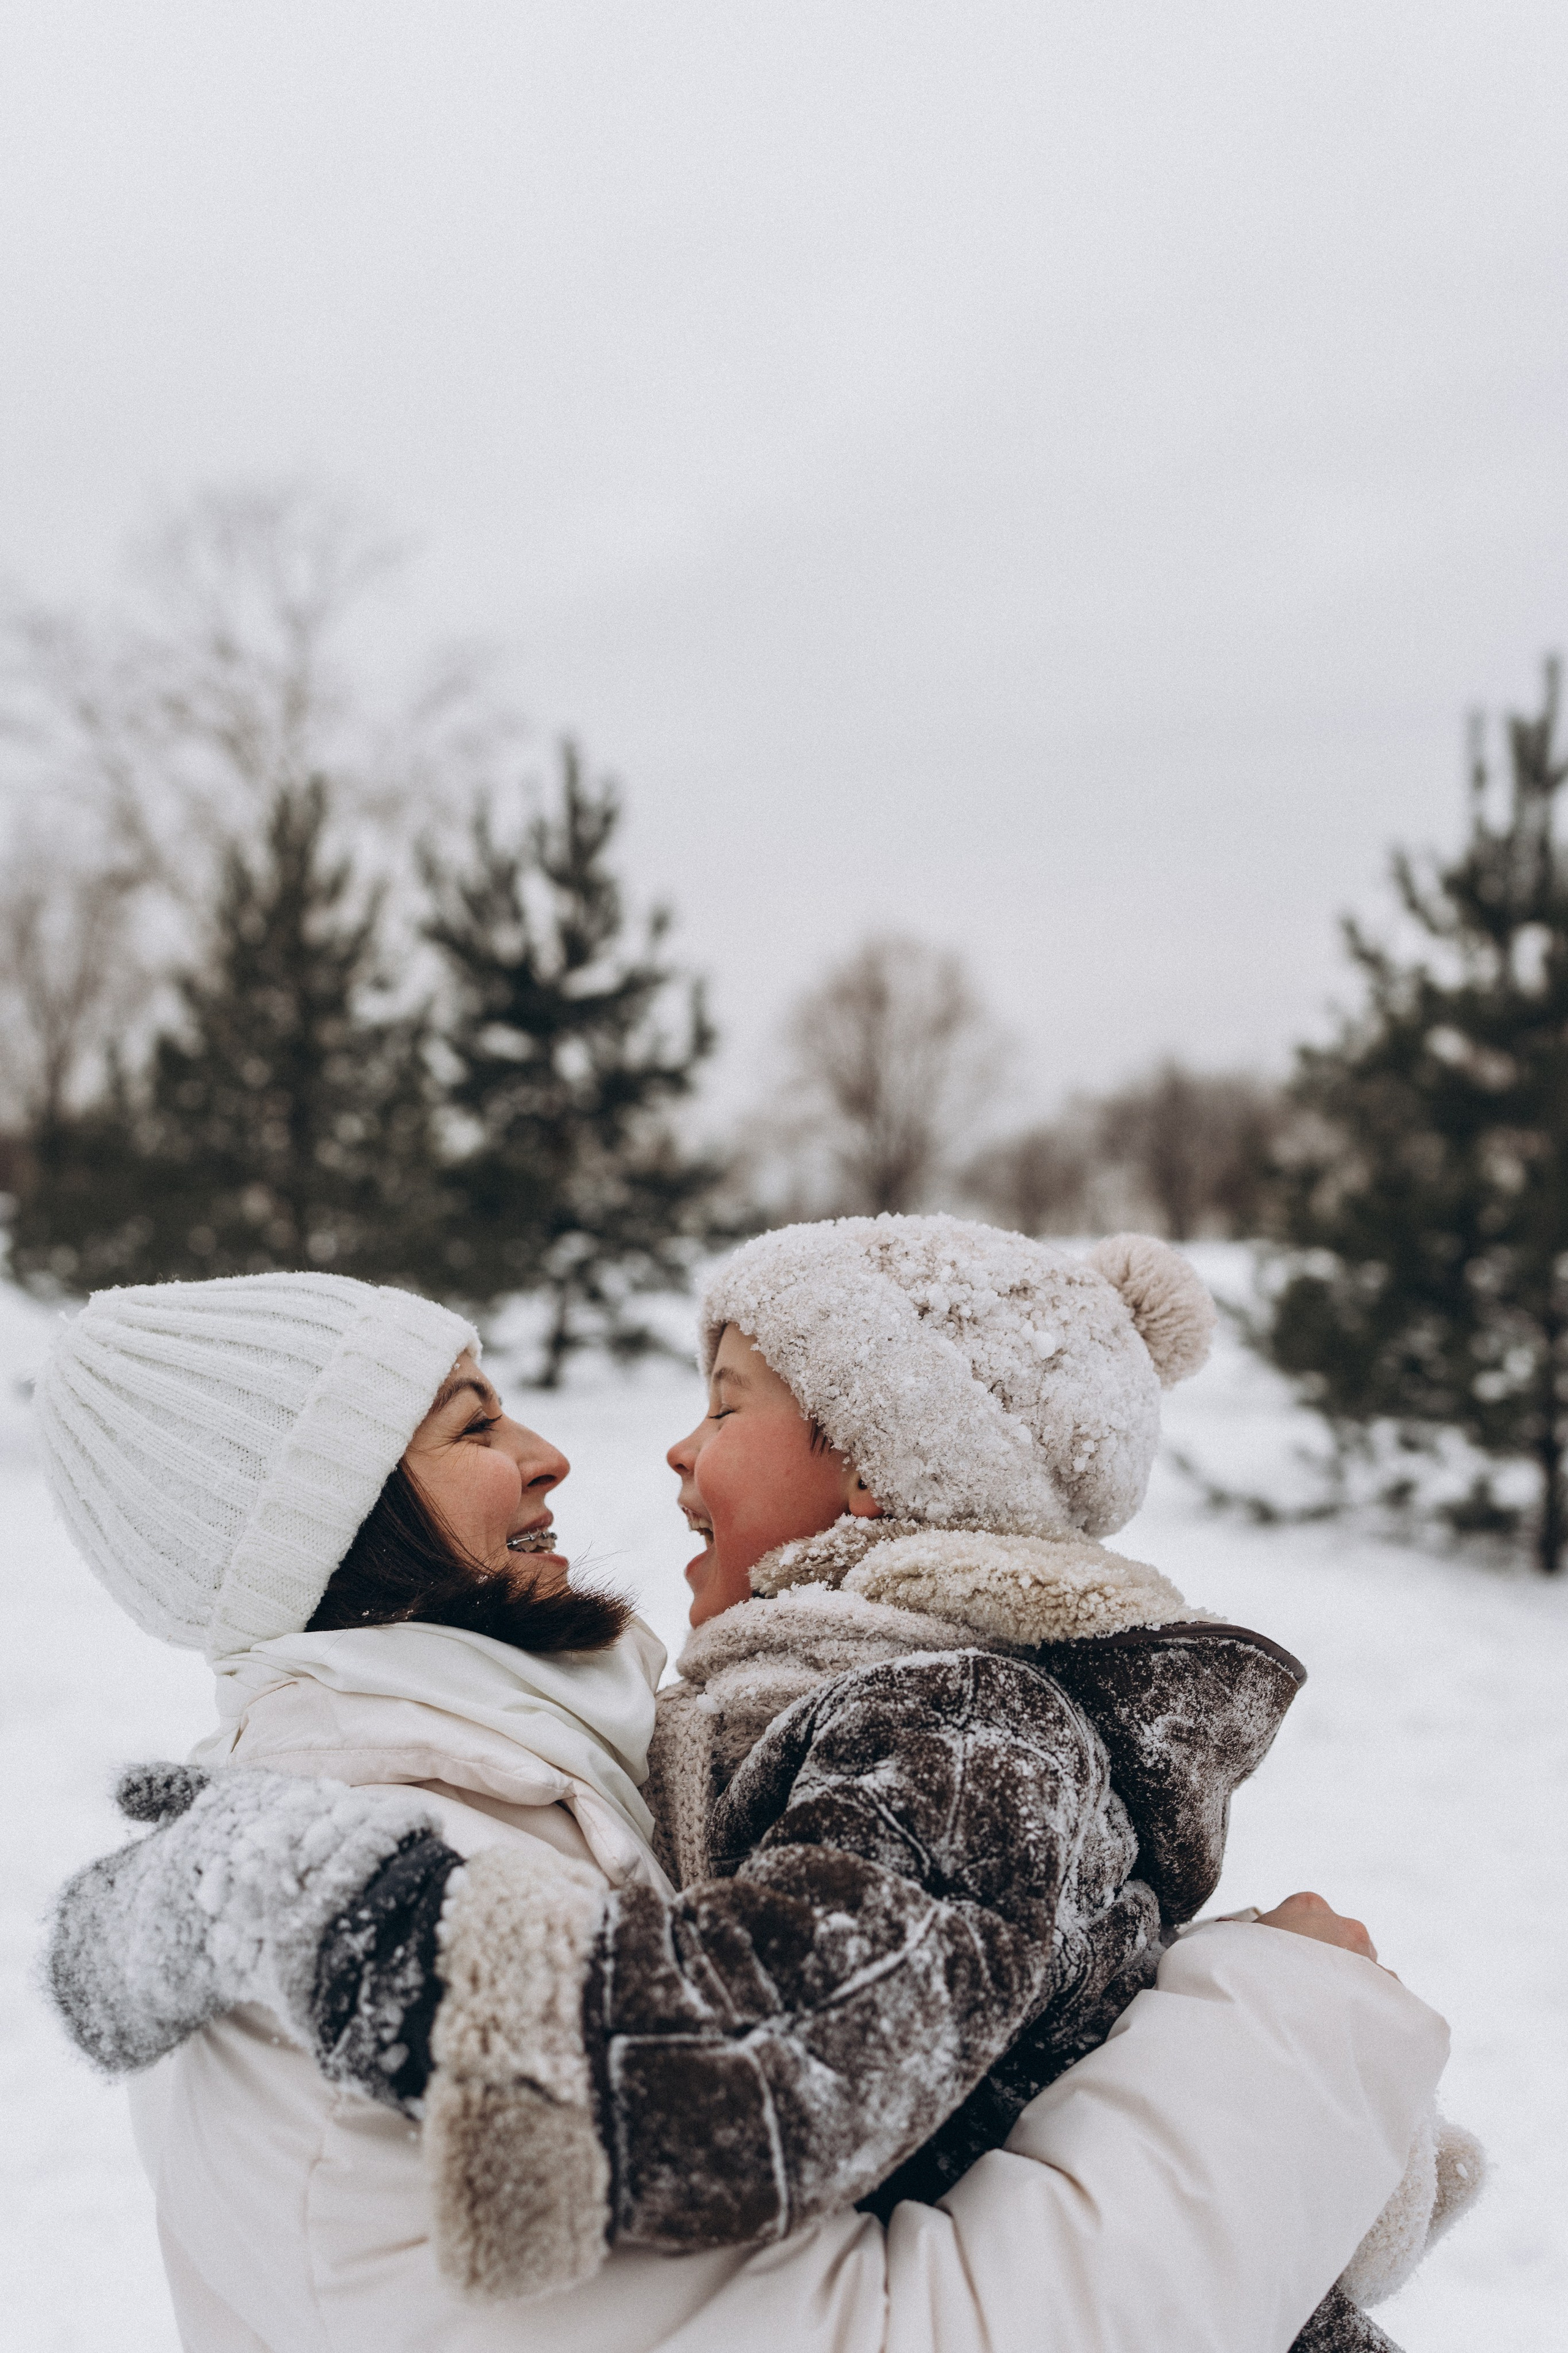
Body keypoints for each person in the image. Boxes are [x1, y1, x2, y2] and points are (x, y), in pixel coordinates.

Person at [42, 1264, 1460, 2353]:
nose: (551, 1453)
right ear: (333, 1517)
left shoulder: (573, 1786)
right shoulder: (403, 1879)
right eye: (473, 1423)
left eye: (723, 1404)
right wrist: (1288, 2038)